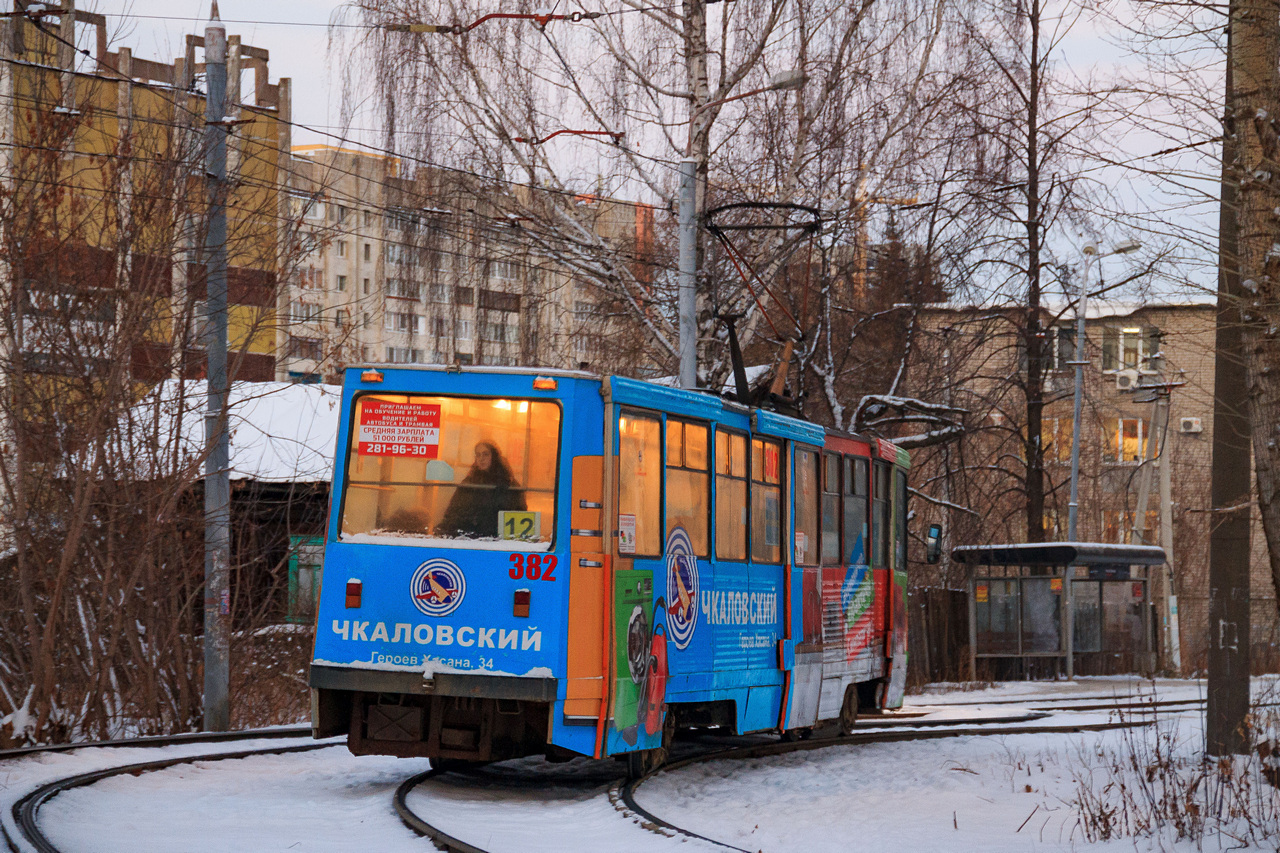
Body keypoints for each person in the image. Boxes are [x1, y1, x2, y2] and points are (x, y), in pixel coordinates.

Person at [439, 441, 526, 538]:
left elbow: (518, 514)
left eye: (486, 454)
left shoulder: (508, 483)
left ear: (494, 456)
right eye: (478, 455)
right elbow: (454, 510)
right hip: (470, 537)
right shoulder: (469, 483)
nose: (481, 459)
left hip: (498, 538)